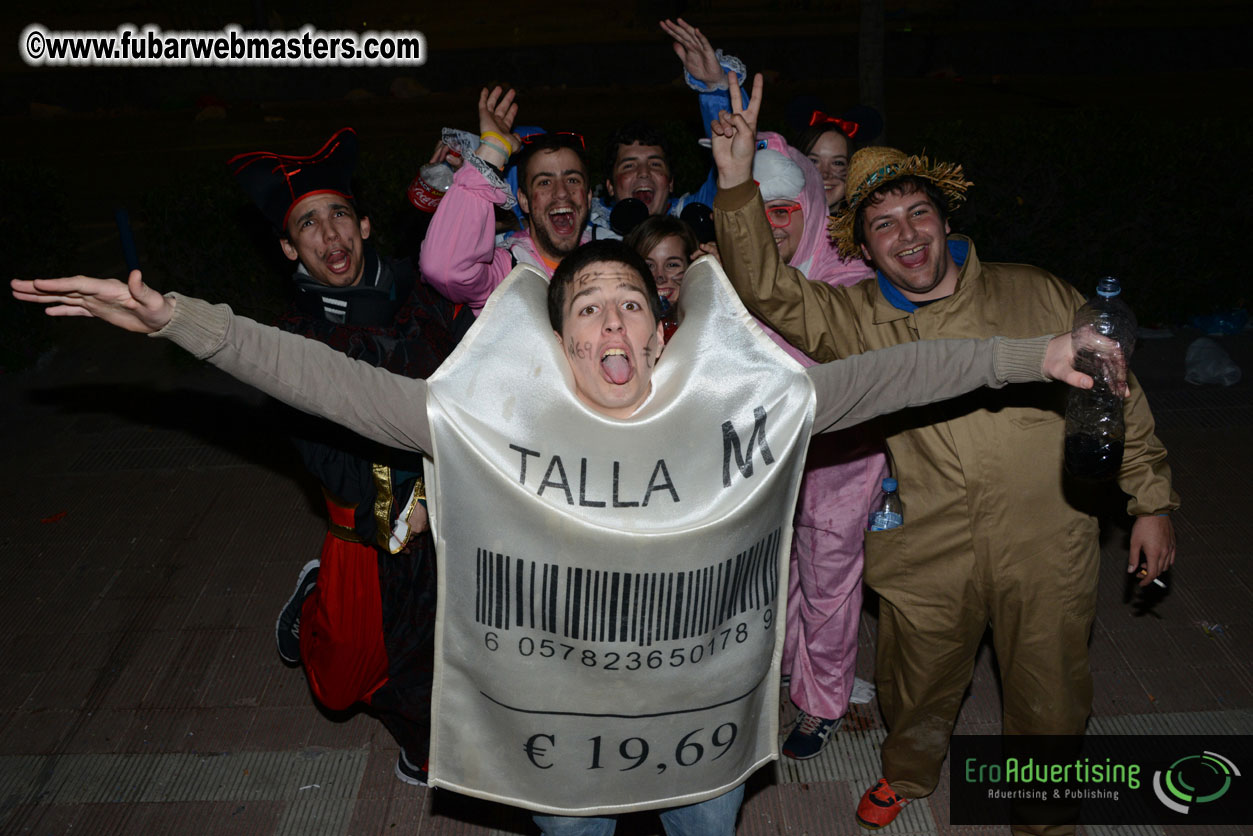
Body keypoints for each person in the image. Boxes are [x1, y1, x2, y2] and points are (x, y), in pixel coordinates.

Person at [16, 235, 1101, 833]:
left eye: (629, 301)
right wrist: (179, 322)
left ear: (661, 331)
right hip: (555, 743)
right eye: (585, 305)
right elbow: (326, 379)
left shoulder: (741, 412)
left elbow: (896, 370)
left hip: (702, 742)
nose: (610, 320)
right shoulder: (487, 419)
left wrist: (1022, 356)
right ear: (557, 336)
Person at [709, 73, 1177, 831]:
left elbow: (1118, 397)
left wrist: (1149, 498)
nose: (906, 235)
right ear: (862, 245)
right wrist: (734, 184)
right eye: (883, 225)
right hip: (927, 544)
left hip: (1046, 537)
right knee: (915, 683)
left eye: (916, 212)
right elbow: (765, 290)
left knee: (1049, 694)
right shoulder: (854, 318)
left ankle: (1044, 817)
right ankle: (907, 771)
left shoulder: (1037, 294)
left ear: (941, 216)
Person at [227, 127, 472, 785]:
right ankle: (316, 602)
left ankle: (432, 732)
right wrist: (407, 512)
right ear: (288, 247)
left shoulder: (428, 301)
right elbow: (331, 460)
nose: (330, 235)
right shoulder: (290, 343)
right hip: (378, 518)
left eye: (339, 214)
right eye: (309, 223)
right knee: (347, 680)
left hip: (464, 498)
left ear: (364, 225)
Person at [419, 86, 596, 312]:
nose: (561, 192)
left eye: (572, 180)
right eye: (544, 182)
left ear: (589, 197)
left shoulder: (613, 259)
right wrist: (492, 150)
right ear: (523, 200)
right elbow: (443, 268)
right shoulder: (505, 271)